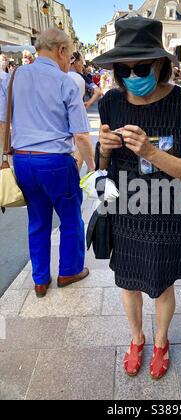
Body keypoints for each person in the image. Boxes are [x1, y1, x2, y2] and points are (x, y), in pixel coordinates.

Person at [94, 17, 181, 380]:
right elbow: (102, 164)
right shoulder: (110, 103)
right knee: (127, 282)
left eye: (140, 67)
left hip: (164, 209)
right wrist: (104, 150)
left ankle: (160, 342)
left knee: (161, 284)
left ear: (160, 64)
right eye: (122, 70)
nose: (131, 76)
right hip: (125, 208)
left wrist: (151, 152)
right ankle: (136, 339)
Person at [0, 29, 96, 298]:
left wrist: (8, 156)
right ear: (62, 51)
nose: (70, 61)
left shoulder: (13, 77)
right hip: (55, 160)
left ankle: (40, 279)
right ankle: (69, 271)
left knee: (38, 220)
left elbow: (3, 122)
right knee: (70, 218)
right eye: (71, 54)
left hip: (23, 160)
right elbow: (80, 134)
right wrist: (93, 166)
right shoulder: (65, 82)